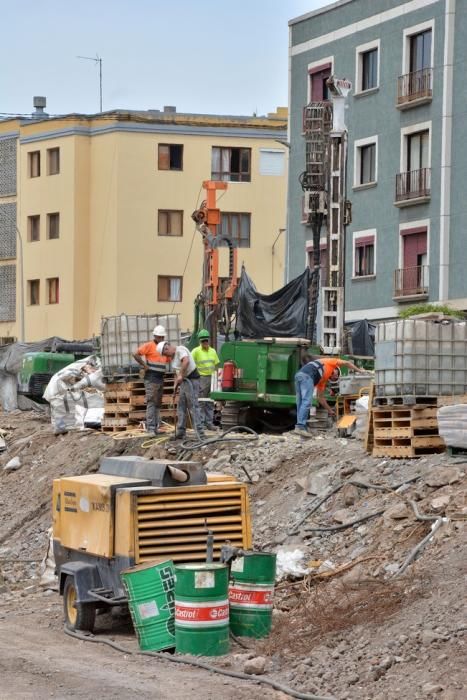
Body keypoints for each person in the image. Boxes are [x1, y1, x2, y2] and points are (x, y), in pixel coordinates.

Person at [294, 356, 365, 437]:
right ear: (336, 369)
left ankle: (300, 427)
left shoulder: (322, 380)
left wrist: (330, 410)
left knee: (300, 403)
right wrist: (360, 371)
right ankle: (300, 427)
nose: (334, 376)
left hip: (299, 375)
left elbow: (320, 398)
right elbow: (347, 363)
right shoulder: (331, 362)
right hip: (307, 376)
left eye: (334, 378)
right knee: (306, 402)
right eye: (336, 375)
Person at [157, 341, 205, 440]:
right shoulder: (173, 358)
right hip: (184, 382)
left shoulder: (180, 350)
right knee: (181, 406)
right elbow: (177, 373)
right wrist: (175, 386)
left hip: (191, 380)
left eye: (166, 354)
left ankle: (200, 433)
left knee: (193, 406)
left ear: (167, 348)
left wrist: (181, 375)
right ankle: (181, 431)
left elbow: (186, 361)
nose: (166, 356)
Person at [133, 325, 169, 435]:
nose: (161, 339)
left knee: (158, 403)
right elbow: (135, 354)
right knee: (152, 402)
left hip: (159, 378)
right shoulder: (149, 345)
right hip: (151, 378)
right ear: (155, 336)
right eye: (159, 337)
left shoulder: (164, 347)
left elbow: (168, 359)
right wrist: (144, 365)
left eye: (162, 337)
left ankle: (156, 427)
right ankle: (151, 428)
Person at [191, 329, 220, 430]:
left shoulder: (213, 351)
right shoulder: (195, 352)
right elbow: (191, 364)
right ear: (200, 341)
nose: (205, 343)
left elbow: (216, 365)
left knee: (210, 401)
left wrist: (216, 379)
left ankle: (209, 423)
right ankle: (201, 424)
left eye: (206, 340)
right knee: (201, 402)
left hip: (212, 379)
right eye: (203, 341)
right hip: (201, 379)